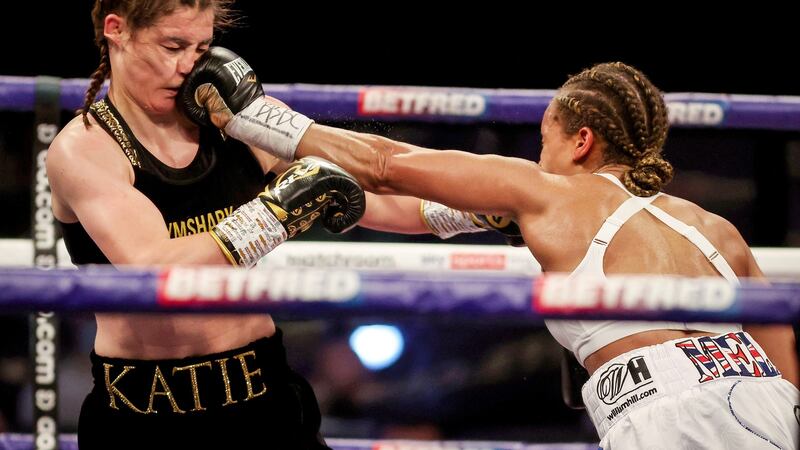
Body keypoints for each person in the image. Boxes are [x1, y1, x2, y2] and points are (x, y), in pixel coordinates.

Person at [184, 55, 800, 448]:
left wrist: (252, 119)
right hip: (765, 405)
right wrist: (295, 176)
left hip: (667, 416)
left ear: (581, 141)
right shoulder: (716, 229)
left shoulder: (548, 191)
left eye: (544, 141)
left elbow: (386, 165)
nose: (538, 159)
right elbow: (783, 363)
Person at [46, 2, 522, 447]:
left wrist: (477, 211)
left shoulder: (230, 116)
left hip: (261, 389)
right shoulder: (85, 149)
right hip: (145, 409)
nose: (189, 66)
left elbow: (371, 198)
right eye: (172, 47)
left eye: (201, 48)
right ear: (117, 31)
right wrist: (277, 211)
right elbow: (154, 267)